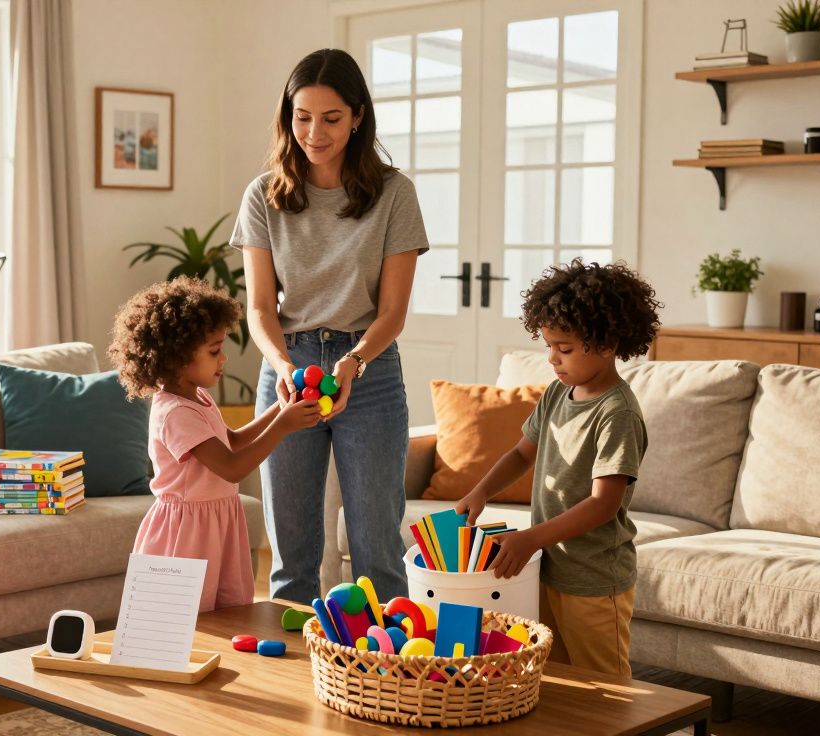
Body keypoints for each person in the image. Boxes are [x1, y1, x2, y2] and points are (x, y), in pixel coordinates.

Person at [230, 48, 429, 603]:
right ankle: (293, 660)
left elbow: (392, 312)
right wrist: (283, 367)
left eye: (332, 118)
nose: (314, 133)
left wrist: (353, 362)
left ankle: (380, 660)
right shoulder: (263, 195)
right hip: (288, 368)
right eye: (302, 117)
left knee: (376, 552)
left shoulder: (395, 194)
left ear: (358, 117)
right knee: (291, 558)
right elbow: (260, 308)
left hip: (368, 369)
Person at [455, 259, 662, 676]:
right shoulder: (556, 394)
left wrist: (530, 538)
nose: (552, 358)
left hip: (593, 579)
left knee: (606, 687)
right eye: (549, 346)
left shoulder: (617, 412)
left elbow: (604, 503)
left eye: (564, 349)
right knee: (556, 678)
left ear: (606, 344)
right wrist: (481, 491)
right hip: (549, 569)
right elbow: (521, 454)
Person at [109, 277, 322, 612]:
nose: (223, 358)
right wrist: (283, 425)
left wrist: (280, 409)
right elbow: (231, 467)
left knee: (228, 612)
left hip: (217, 520)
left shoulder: (198, 397)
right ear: (178, 357)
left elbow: (231, 441)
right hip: (188, 532)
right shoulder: (175, 413)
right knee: (187, 616)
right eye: (214, 351)